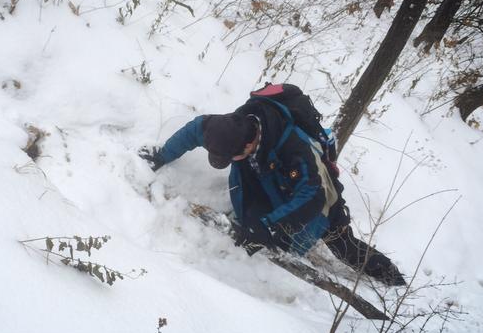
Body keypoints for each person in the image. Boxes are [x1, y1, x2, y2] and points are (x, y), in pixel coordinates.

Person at [139, 84, 406, 286]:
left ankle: (392, 279)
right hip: (268, 181)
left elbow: (313, 197)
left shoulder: (295, 148)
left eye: (230, 157)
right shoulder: (228, 126)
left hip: (320, 198)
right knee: (253, 222)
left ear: (248, 145)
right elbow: (194, 130)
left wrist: (269, 228)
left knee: (342, 246)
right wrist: (161, 156)